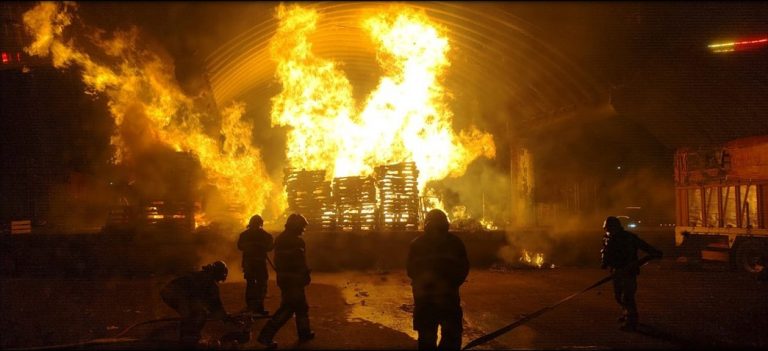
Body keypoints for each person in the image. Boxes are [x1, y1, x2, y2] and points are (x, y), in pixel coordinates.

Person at [407, 209, 469, 350]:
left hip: (425, 302)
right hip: (449, 301)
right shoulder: (455, 243)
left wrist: (425, 285)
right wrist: (451, 285)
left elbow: (411, 271)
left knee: (427, 340)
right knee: (451, 338)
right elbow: (463, 268)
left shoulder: (417, 244)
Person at [257, 213, 314, 348]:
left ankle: (304, 332)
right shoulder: (296, 241)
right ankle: (266, 336)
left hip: (285, 278)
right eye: (301, 227)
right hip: (293, 280)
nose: (302, 230)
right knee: (287, 309)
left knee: (301, 307)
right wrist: (305, 274)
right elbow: (299, 261)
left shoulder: (281, 238)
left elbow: (280, 260)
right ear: (296, 226)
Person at [600, 216, 663, 331]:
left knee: (627, 297)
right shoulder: (607, 238)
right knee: (618, 296)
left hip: (628, 271)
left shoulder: (628, 237)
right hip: (616, 271)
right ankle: (626, 313)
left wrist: (654, 252)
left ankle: (631, 321)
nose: (608, 231)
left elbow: (643, 245)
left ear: (616, 227)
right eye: (607, 229)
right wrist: (605, 263)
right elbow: (606, 252)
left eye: (609, 228)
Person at [160, 260, 233, 347]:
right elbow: (216, 307)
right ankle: (189, 338)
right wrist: (225, 317)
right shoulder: (210, 283)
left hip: (169, 292)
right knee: (198, 314)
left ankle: (187, 337)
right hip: (174, 294)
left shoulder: (203, 275)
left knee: (192, 314)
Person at [237, 214, 274, 315]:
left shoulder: (244, 235)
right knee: (260, 285)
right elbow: (270, 247)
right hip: (258, 264)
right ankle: (257, 307)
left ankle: (252, 307)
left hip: (250, 264)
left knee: (252, 285)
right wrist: (259, 246)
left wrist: (253, 246)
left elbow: (240, 246)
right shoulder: (265, 235)